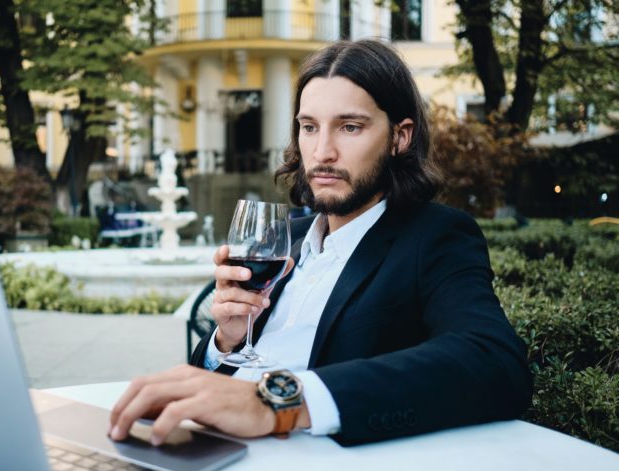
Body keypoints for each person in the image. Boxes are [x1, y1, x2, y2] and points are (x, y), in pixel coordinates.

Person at [109, 39, 532, 447]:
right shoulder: (284, 242)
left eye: (349, 127)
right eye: (309, 127)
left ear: (400, 137)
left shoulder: (435, 237)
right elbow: (221, 389)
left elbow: (494, 363)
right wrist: (229, 340)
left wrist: (281, 400)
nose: (322, 151)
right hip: (209, 450)